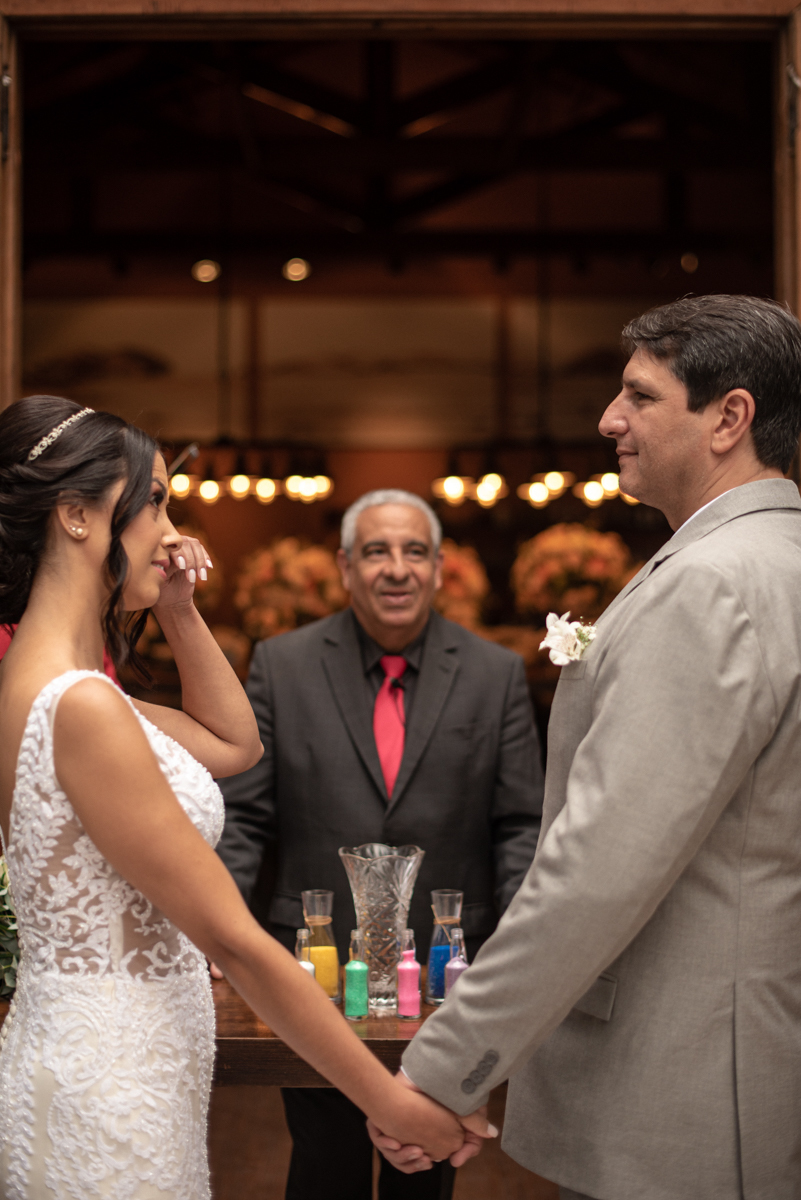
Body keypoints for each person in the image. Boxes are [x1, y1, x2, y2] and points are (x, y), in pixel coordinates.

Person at [0, 396, 490, 1200]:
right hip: (108, 1085)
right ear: (76, 515)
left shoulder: (67, 690)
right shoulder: (80, 707)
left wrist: (178, 608)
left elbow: (235, 745)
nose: (172, 530)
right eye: (154, 499)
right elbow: (234, 942)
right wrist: (390, 1101)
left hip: (119, 1067)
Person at [371, 294, 801, 1200]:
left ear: (730, 418)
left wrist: (443, 1066)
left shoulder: (712, 587)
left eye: (640, 397)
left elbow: (600, 864)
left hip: (686, 1073)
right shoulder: (778, 561)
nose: (610, 419)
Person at [216, 487, 544, 1200]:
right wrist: (217, 937)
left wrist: (514, 959)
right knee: (322, 1163)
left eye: (413, 551)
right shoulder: (282, 664)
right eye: (375, 551)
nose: (395, 568)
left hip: (444, 982)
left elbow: (520, 827)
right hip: (313, 974)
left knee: (425, 1161)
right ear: (343, 566)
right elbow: (243, 819)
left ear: (438, 568)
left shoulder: (493, 675)